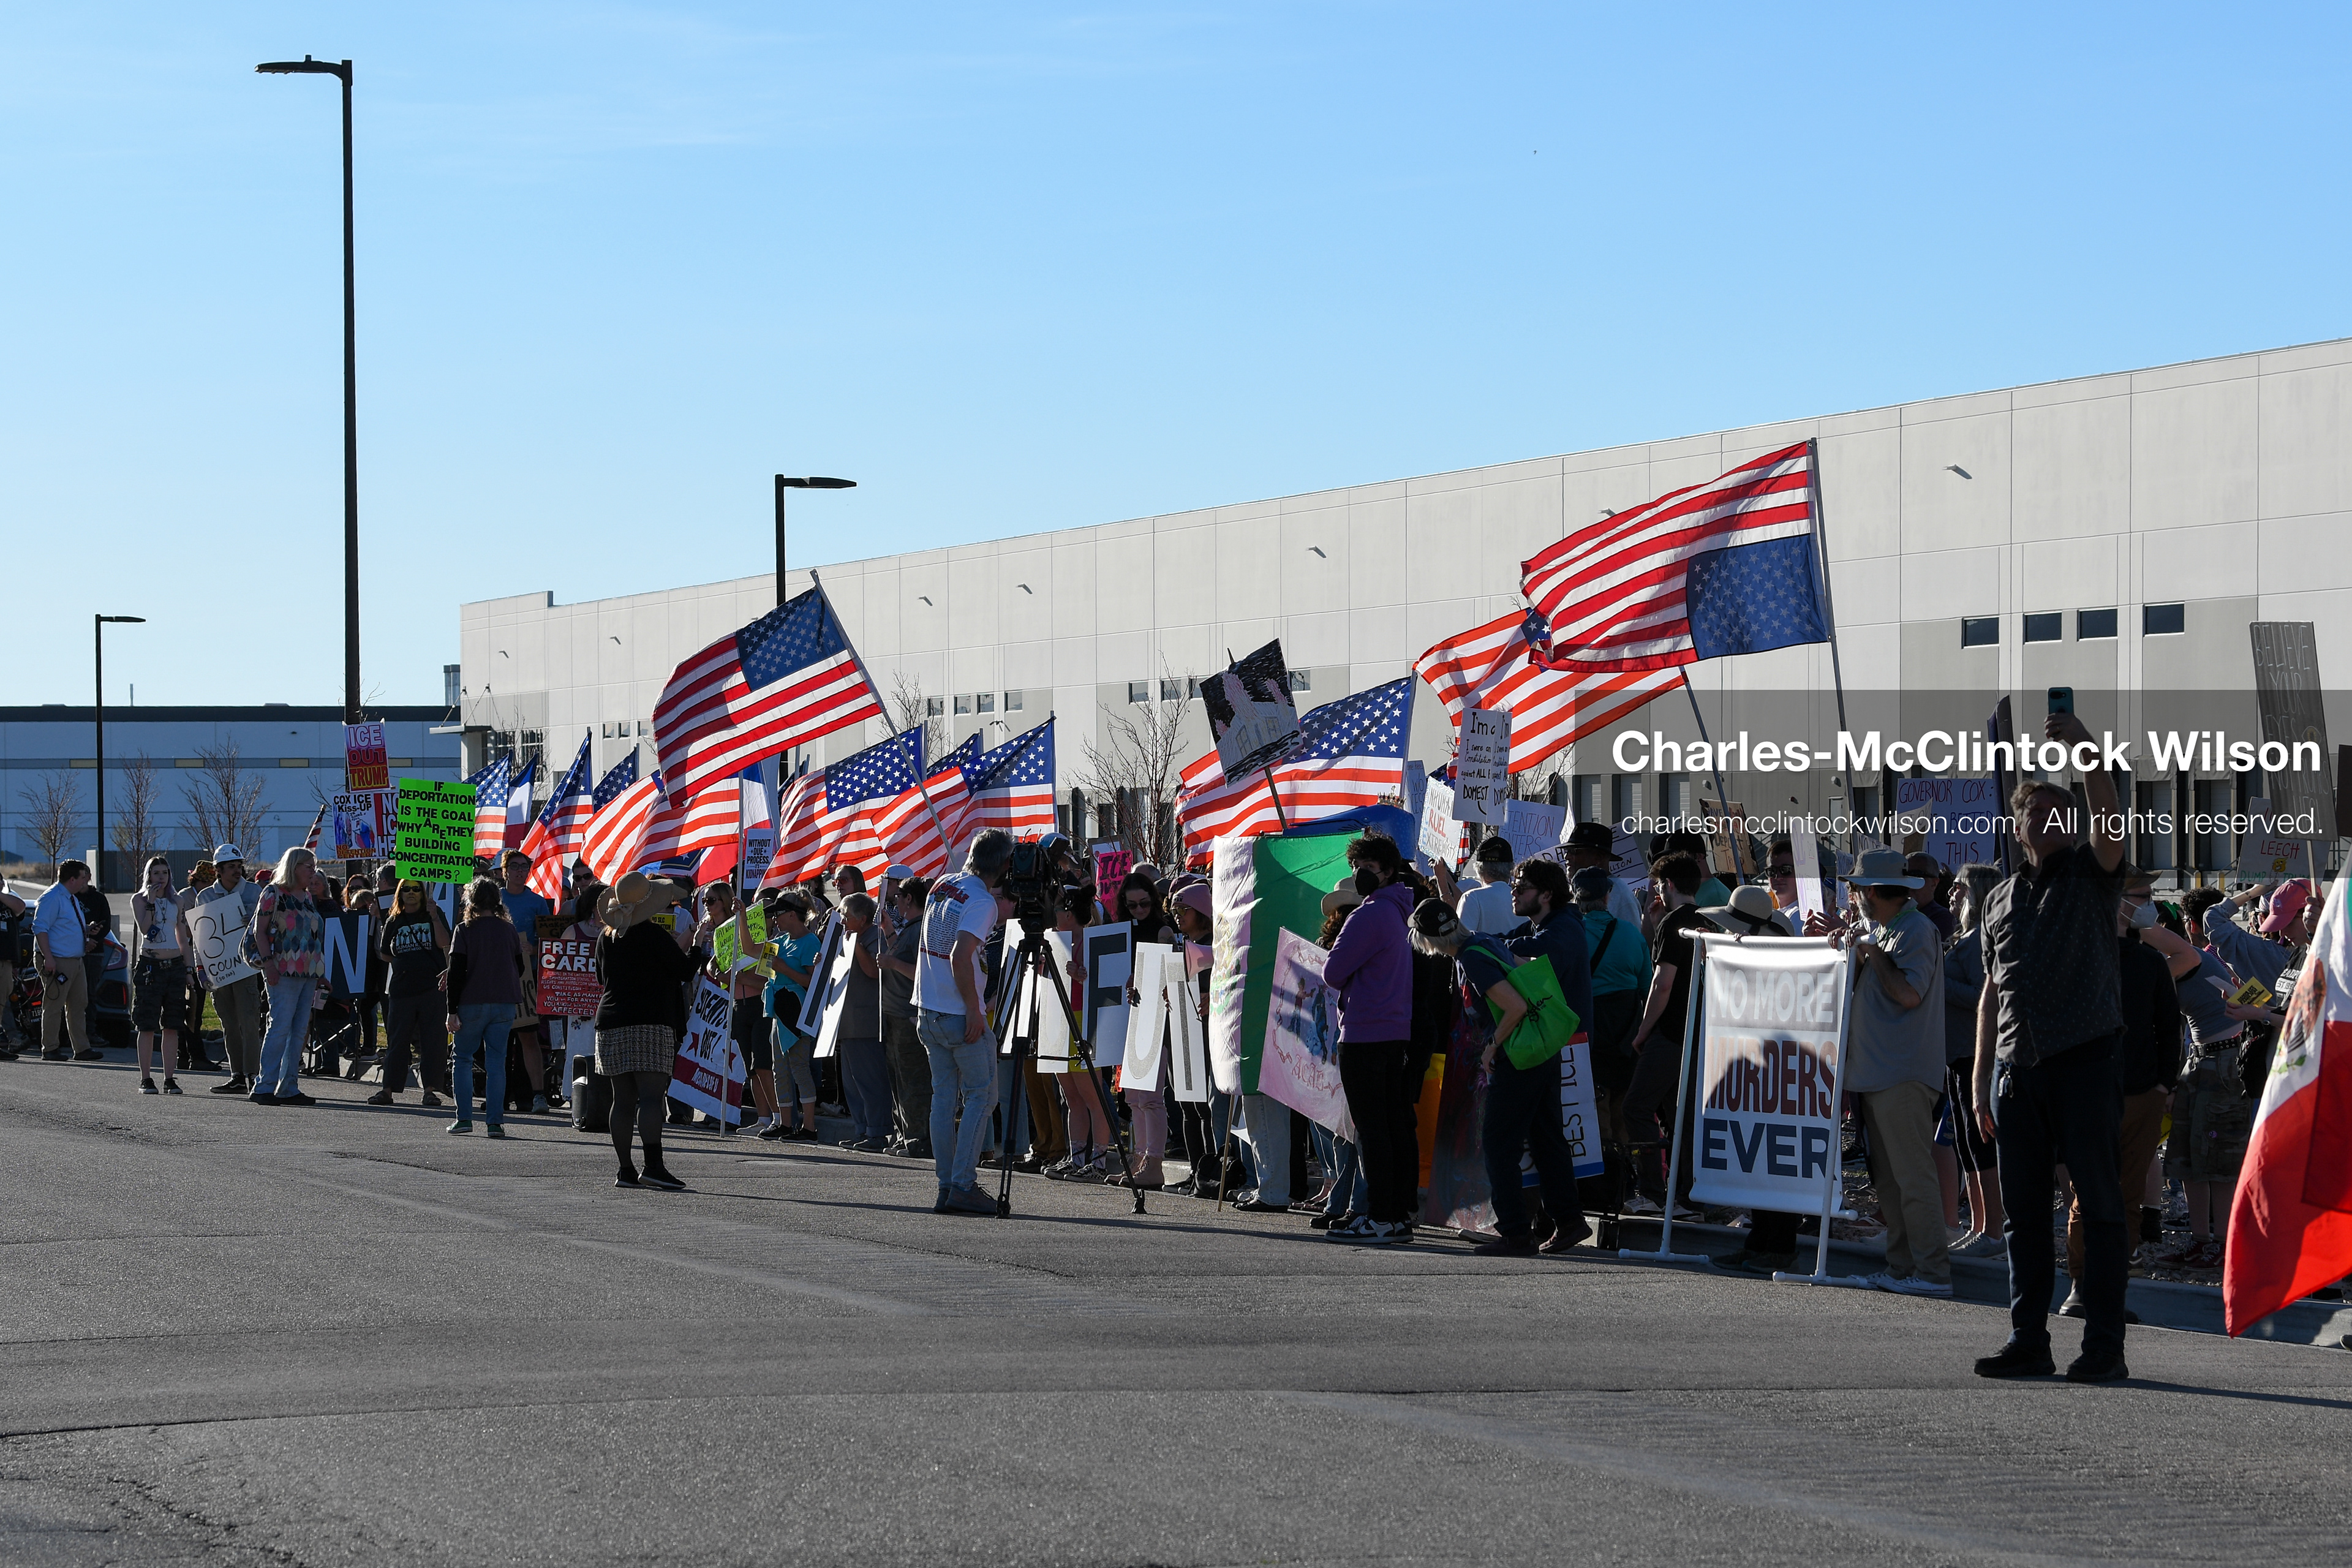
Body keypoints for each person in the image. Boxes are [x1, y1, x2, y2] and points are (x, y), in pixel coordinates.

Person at [1972, 716, 2132, 1385]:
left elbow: (2111, 819)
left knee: (2100, 1207)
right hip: (2019, 1072)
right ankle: (2028, 1339)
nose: (2043, 819)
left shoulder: (2093, 877)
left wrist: (2083, 749)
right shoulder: (1998, 900)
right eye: (2032, 811)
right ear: (2016, 827)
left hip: (2086, 1061)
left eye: (2055, 810)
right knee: (2024, 1217)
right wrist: (1982, 1080)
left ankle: (2104, 1347)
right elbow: (1992, 992)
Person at [1412, 898, 1587, 1256]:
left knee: (1498, 1144)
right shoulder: (1484, 940)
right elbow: (1527, 970)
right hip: (1541, 1048)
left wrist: (1492, 1046)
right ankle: (1569, 1221)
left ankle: (1516, 1233)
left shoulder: (1471, 958)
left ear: (1428, 939)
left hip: (1518, 1056)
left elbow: (1515, 1005)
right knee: (1546, 1138)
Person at [1833, 848, 1951, 1297]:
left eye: (1854, 888)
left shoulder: (1915, 928)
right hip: (1880, 1074)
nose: (1851, 895)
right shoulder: (1887, 928)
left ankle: (1933, 1274)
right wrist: (1859, 947)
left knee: (1913, 1177)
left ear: (1871, 892)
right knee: (1890, 1180)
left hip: (1901, 1074)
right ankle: (1902, 1268)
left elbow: (1909, 994)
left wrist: (1872, 952)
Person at [2057, 883, 2180, 1314]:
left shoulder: (2150, 961)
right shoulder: (2075, 957)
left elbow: (2168, 1028)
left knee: (2128, 1198)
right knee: (2087, 1195)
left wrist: (2163, 1085)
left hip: (2141, 1095)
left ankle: (2109, 1289)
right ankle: (2080, 1284)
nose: (2149, 903)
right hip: (2089, 1096)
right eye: (2141, 895)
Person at [1319, 834, 1419, 1242]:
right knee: (1391, 1125)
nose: (1359, 875)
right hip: (1394, 1031)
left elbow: (1332, 972)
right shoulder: (1400, 911)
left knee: (1372, 1128)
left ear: (1388, 871)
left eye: (1367, 868)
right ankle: (1394, 1215)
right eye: (1355, 867)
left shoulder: (1369, 915)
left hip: (1364, 1032)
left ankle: (1379, 1216)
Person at [914, 830, 1016, 1215]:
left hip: (928, 1008)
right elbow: (960, 955)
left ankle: (947, 1184)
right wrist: (974, 1008)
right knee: (981, 1096)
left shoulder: (943, 884)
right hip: (958, 1013)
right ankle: (962, 1184)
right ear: (1004, 865)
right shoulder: (982, 900)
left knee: (943, 1099)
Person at [593, 873, 701, 1189]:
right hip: (651, 1021)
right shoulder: (654, 934)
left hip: (611, 1021)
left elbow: (601, 978)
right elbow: (685, 971)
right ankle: (653, 1166)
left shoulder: (606, 937)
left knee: (622, 1100)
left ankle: (625, 1170)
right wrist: (697, 947)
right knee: (652, 1097)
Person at [1620, 852, 1711, 1218]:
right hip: (1698, 1032)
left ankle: (1653, 1192)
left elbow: (1663, 984)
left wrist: (1643, 1032)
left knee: (1636, 1107)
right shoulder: (1708, 919)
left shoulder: (1675, 922)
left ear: (1668, 884)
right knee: (1681, 1116)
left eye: (1659, 885)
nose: (1658, 892)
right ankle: (1687, 1197)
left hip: (1671, 1032)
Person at [1943, 864, 2005, 1258]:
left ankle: (1994, 1231)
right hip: (1956, 1054)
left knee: (1981, 1143)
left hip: (1974, 1054)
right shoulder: (1964, 938)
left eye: (1959, 887)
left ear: (1977, 894)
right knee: (1966, 1143)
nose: (1952, 893)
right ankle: (1978, 1226)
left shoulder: (1983, 939)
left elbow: (1985, 998)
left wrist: (1939, 980)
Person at [443, 876, 529, 1136]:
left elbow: (456, 973)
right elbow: (520, 967)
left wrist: (451, 1010)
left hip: (472, 1002)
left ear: (471, 901)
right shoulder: (509, 930)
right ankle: (494, 1122)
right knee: (497, 1062)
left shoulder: (464, 929)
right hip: (504, 1002)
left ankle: (464, 1119)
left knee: (463, 1059)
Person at [248, 847, 327, 1106]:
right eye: (308, 866)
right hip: (281, 971)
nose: (313, 872)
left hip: (309, 973)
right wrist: (268, 965)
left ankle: (289, 1086)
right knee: (280, 1026)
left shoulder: (308, 897)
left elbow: (313, 938)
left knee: (299, 1030)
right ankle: (264, 1086)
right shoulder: (273, 893)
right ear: (294, 867)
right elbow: (259, 932)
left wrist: (321, 973)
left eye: (314, 867)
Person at [369, 880, 451, 1107]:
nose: (412, 893)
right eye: (406, 889)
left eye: (416, 889)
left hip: (432, 989)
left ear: (423, 893)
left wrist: (435, 918)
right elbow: (385, 954)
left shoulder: (434, 914)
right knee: (397, 1040)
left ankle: (430, 1091)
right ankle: (387, 1090)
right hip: (402, 990)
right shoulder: (394, 920)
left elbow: (445, 943)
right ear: (400, 894)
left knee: (433, 1041)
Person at [192, 846, 263, 1093]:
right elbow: (200, 937)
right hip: (219, 969)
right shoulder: (205, 897)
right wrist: (200, 968)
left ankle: (253, 1075)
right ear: (218, 870)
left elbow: (269, 925)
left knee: (249, 1022)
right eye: (231, 866)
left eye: (239, 866)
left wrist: (253, 923)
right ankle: (237, 1076)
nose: (237, 871)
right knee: (229, 1025)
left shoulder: (254, 892)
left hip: (246, 968)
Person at [758, 895, 823, 1140]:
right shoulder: (780, 941)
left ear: (792, 915)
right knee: (780, 1069)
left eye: (778, 914)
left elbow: (814, 983)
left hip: (797, 1011)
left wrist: (785, 969)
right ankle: (785, 1124)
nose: (774, 919)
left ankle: (809, 1127)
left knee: (799, 1067)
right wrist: (741, 917)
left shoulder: (810, 942)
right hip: (779, 1011)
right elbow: (753, 952)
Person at [877, 876, 932, 1158]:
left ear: (910, 899)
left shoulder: (922, 928)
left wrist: (892, 963)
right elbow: (901, 954)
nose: (895, 901)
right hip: (894, 1015)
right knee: (898, 1081)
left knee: (913, 1081)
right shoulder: (910, 929)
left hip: (908, 1016)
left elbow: (922, 972)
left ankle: (918, 1139)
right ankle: (904, 1135)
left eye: (899, 896)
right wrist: (888, 931)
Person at [835, 892, 894, 1152]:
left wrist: (856, 945)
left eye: (846, 916)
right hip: (847, 1022)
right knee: (853, 1083)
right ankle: (862, 1130)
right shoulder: (845, 938)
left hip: (867, 1022)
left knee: (871, 1082)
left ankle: (877, 1132)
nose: (842, 921)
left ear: (861, 919)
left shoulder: (874, 937)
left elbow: (873, 971)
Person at [497, 850, 555, 1112]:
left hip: (526, 978)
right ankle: (498, 1095)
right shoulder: (494, 899)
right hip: (496, 976)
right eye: (515, 866)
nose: (520, 871)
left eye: (524, 867)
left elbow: (550, 943)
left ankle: (534, 1095)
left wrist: (534, 949)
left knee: (528, 1038)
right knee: (499, 1039)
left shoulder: (538, 903)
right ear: (505, 871)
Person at [126, 856, 189, 1093]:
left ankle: (169, 1078)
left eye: (165, 873)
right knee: (147, 1024)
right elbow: (146, 930)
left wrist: (189, 969)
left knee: (172, 1024)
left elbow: (183, 938)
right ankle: (146, 1078)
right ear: (149, 876)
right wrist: (151, 902)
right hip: (150, 965)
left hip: (174, 965)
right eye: (156, 873)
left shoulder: (177, 901)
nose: (161, 878)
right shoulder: (139, 900)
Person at [31, 859, 97, 1062]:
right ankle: (50, 1048)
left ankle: (82, 1049)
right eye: (83, 877)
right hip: (57, 960)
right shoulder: (52, 898)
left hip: (75, 960)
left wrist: (86, 931)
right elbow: (40, 928)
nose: (85, 881)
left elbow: (65, 927)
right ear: (72, 879)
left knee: (79, 1004)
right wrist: (48, 959)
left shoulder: (71, 898)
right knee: (54, 1004)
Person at [1564, 822, 1643, 927]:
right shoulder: (1575, 889)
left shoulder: (1620, 894)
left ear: (1599, 857)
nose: (1566, 856)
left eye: (1574, 851)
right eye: (1566, 851)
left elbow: (1631, 936)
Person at [1454, 837, 1519, 935]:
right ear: (1511, 869)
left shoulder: (1472, 898)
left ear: (1479, 870)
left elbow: (1462, 939)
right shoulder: (1522, 899)